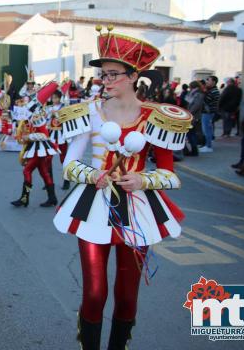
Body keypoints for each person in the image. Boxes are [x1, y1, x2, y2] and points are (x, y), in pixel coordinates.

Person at [53, 26, 189, 349]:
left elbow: (171, 175)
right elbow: (69, 164)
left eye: (113, 74)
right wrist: (92, 175)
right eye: (103, 74)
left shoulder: (155, 117)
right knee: (95, 293)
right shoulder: (88, 113)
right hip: (95, 207)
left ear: (133, 76)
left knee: (127, 296)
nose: (105, 80)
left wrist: (144, 179)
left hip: (137, 210)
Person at [11, 83, 60, 208]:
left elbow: (44, 135)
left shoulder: (37, 115)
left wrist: (28, 137)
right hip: (38, 148)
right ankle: (52, 197)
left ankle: (24, 198)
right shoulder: (35, 114)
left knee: (27, 170)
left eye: (32, 99)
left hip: (41, 147)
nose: (28, 101)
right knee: (44, 172)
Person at [184, 81, 205, 157]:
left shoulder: (199, 94)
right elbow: (187, 101)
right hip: (191, 116)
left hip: (194, 117)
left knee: (192, 134)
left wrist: (189, 113)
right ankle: (193, 150)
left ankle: (194, 150)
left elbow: (196, 105)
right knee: (190, 134)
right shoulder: (192, 93)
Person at [200, 76, 220, 152]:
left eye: (209, 80)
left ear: (214, 82)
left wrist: (204, 92)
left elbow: (206, 100)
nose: (207, 82)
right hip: (208, 112)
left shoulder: (213, 91)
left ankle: (208, 146)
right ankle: (207, 145)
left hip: (208, 113)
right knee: (207, 129)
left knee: (207, 130)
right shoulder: (211, 90)